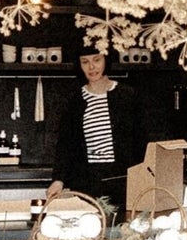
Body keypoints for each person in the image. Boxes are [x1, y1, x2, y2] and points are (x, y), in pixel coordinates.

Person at [59, 48, 150, 210]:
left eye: (97, 60)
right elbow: (65, 144)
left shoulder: (128, 95)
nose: (91, 67)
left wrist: (143, 176)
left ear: (106, 60)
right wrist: (58, 179)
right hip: (87, 181)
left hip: (123, 179)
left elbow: (141, 140)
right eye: (85, 62)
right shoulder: (74, 100)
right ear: (79, 66)